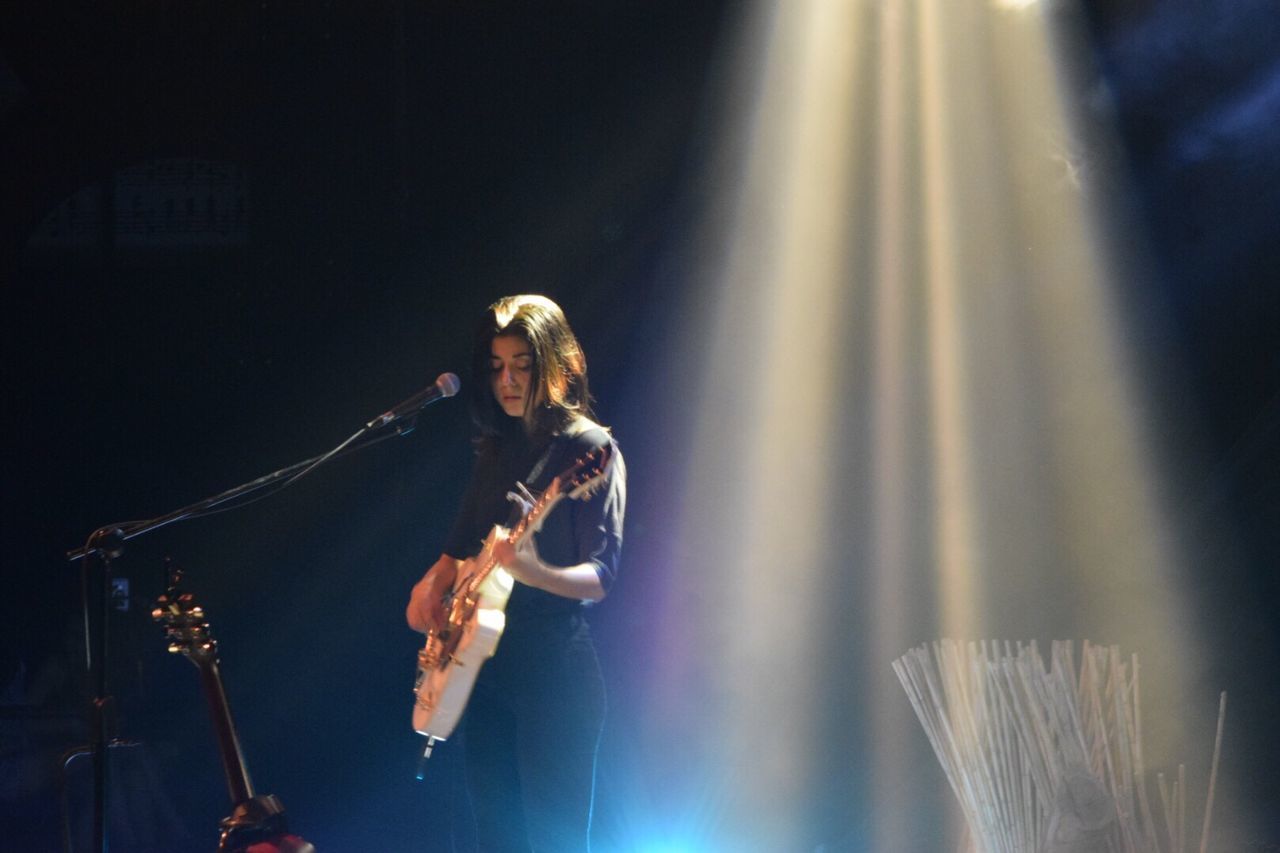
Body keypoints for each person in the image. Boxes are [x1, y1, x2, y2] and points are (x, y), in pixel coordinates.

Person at [406, 294, 625, 852]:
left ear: (553, 365)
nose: (507, 381)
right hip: (484, 675)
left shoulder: (589, 449)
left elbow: (601, 576)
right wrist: (429, 588)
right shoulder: (496, 448)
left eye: (522, 367)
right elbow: (455, 552)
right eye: (497, 367)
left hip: (556, 678)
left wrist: (532, 570)